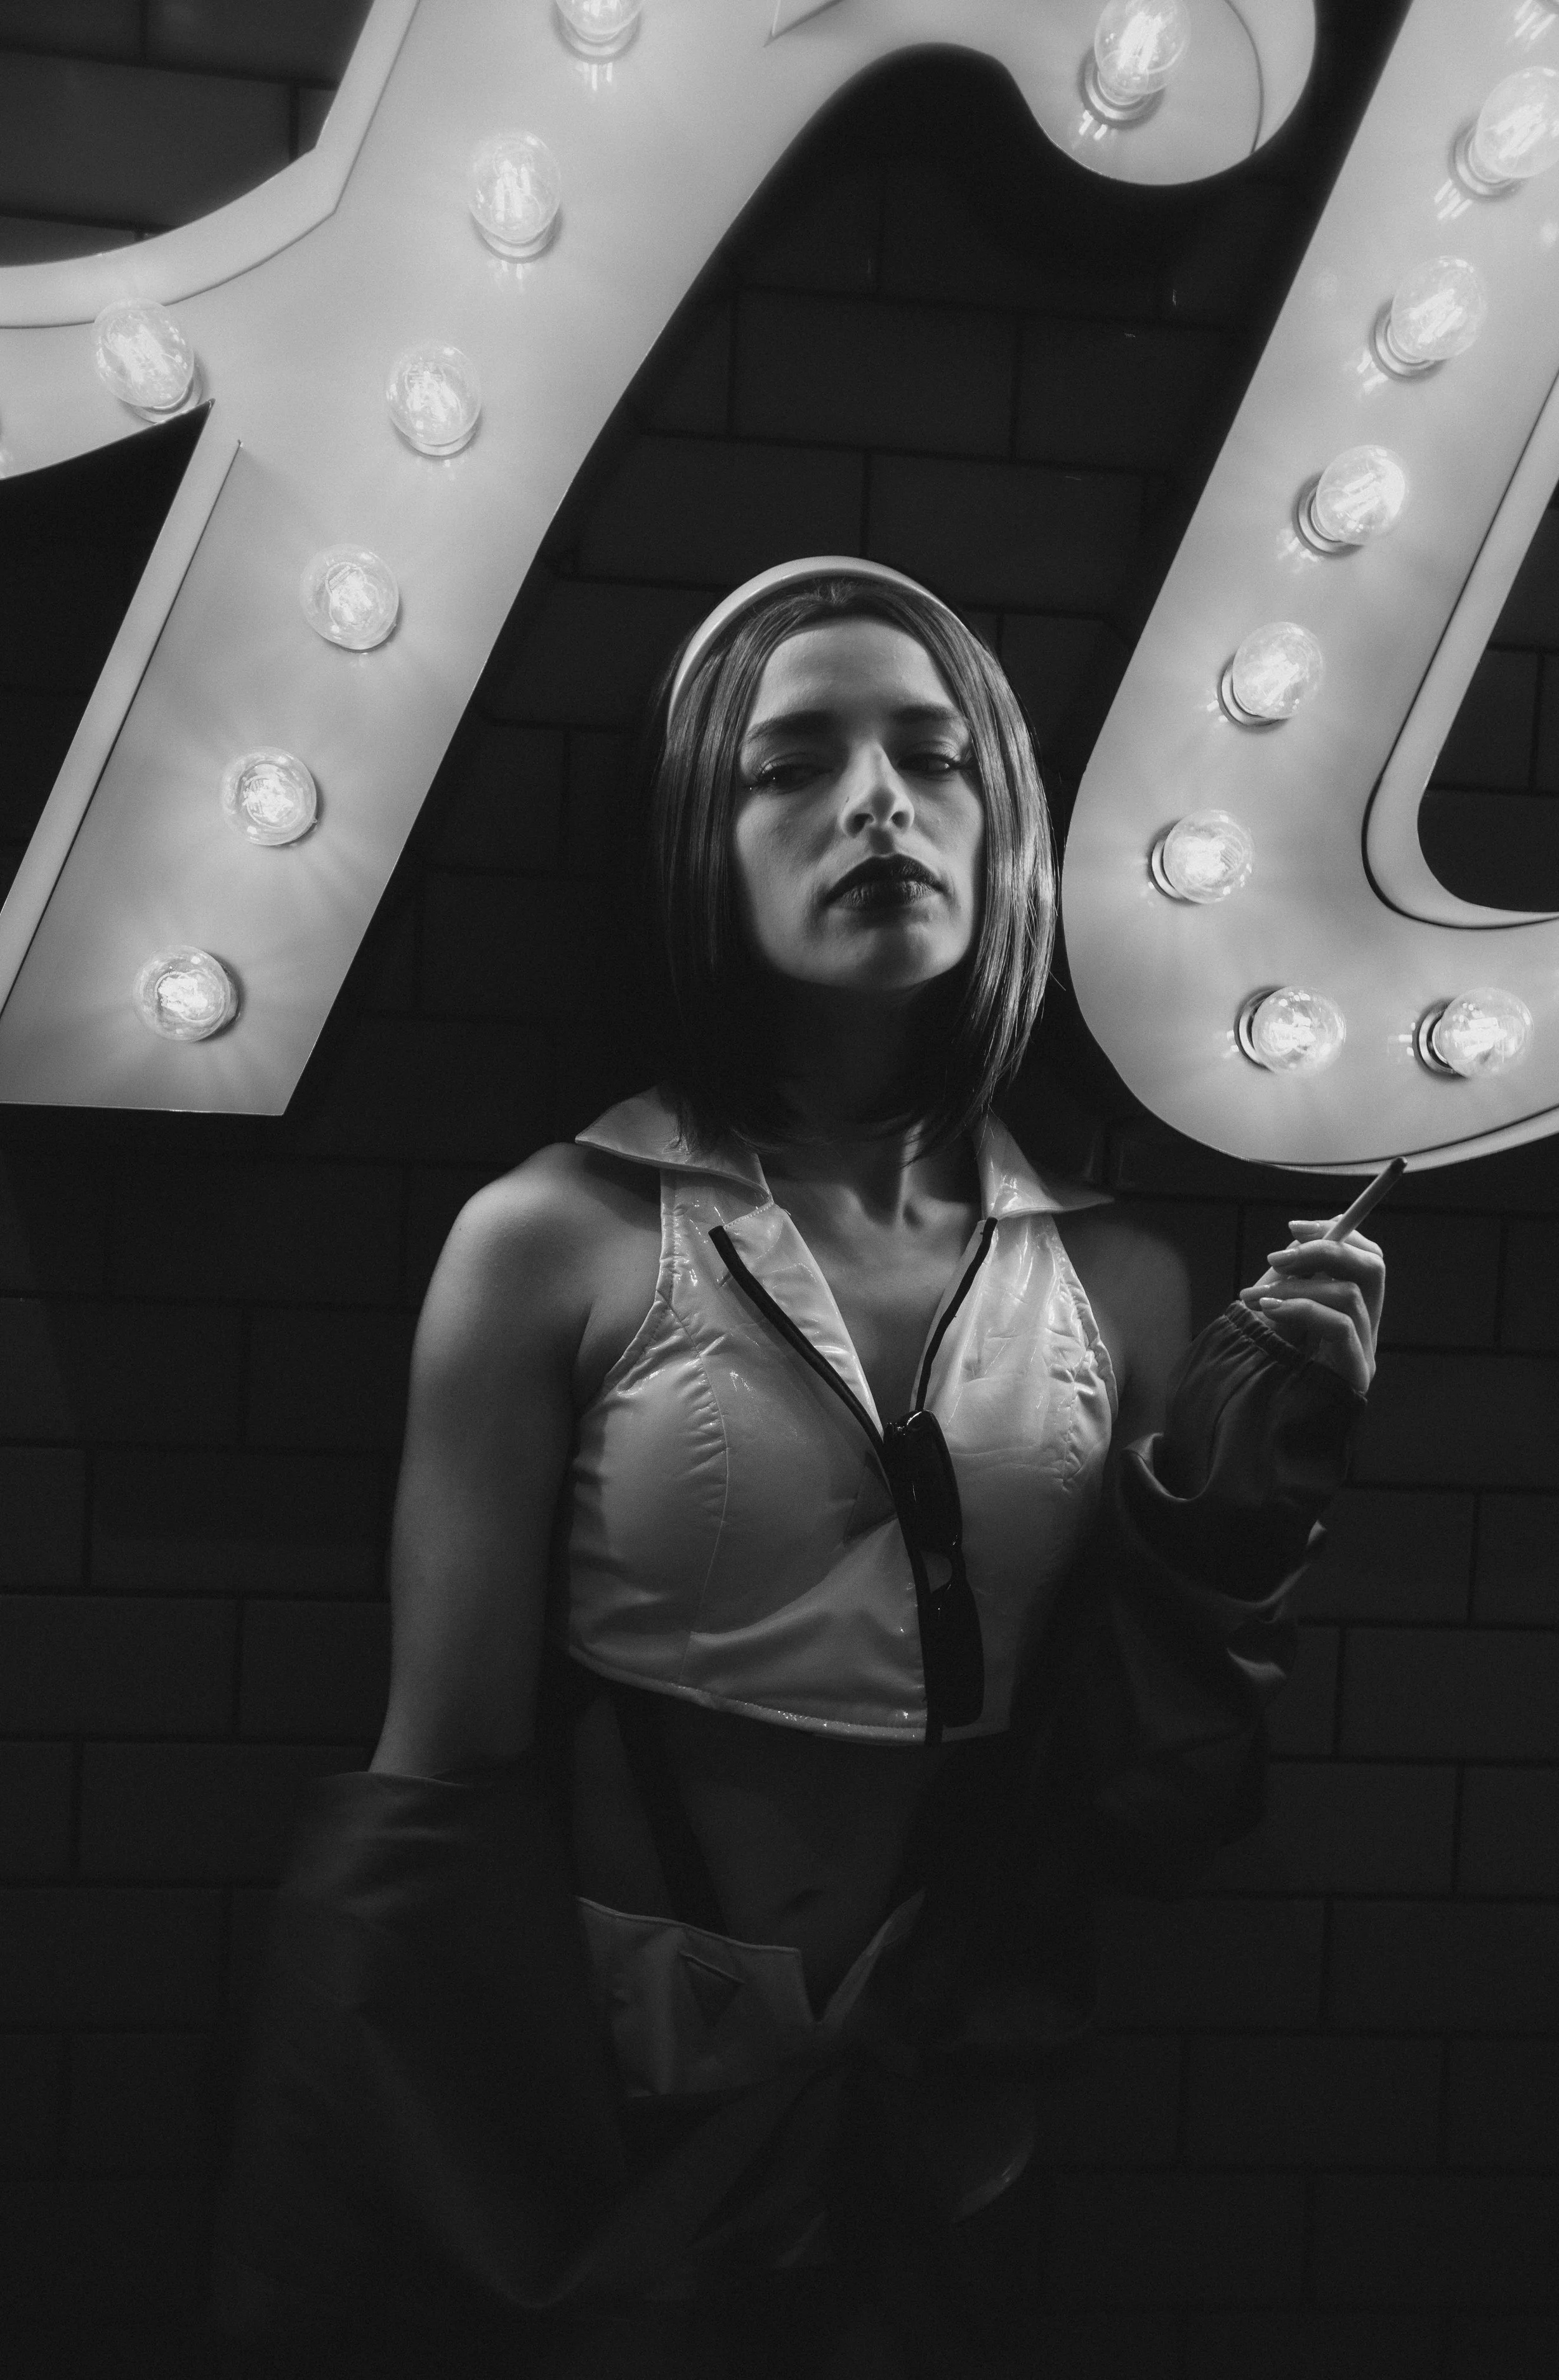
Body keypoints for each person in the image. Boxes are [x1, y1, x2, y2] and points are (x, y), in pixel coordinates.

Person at [214, 558, 1385, 2378]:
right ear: (701, 828)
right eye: (794, 761)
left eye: (934, 758)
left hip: (944, 2083)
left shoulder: (1119, 1279)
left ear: (1006, 830)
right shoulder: (554, 1240)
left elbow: (1156, 1791)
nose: (875, 803)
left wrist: (1244, 1507)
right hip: (597, 2090)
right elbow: (435, 1776)